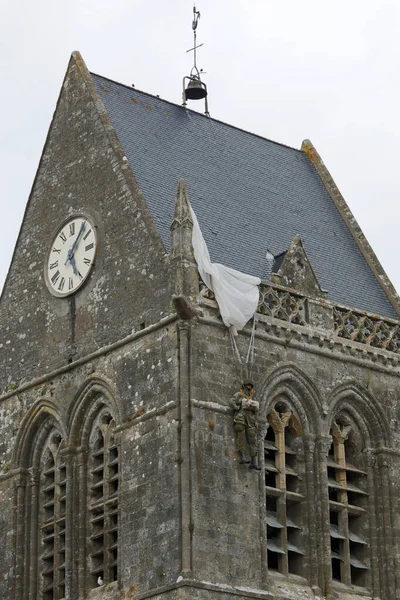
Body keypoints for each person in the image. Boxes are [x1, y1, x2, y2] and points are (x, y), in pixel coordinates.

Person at [229, 380, 261, 470]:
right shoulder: (239, 394)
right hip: (241, 418)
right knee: (241, 436)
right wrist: (237, 407)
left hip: (250, 420)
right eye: (247, 385)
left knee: (252, 440)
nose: (249, 387)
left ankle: (254, 462)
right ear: (244, 386)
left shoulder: (252, 398)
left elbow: (255, 411)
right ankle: (243, 457)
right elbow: (231, 401)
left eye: (250, 386)